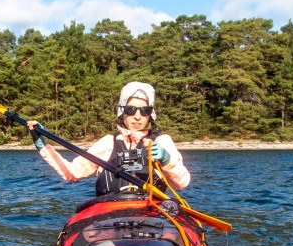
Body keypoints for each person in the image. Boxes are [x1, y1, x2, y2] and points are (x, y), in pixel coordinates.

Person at [26, 81, 190, 196]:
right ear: (122, 112)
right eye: (131, 110)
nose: (138, 116)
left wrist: (166, 159)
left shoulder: (162, 142)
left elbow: (181, 183)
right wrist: (42, 144)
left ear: (150, 115)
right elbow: (71, 173)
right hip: (111, 216)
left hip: (151, 214)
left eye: (144, 110)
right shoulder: (108, 143)